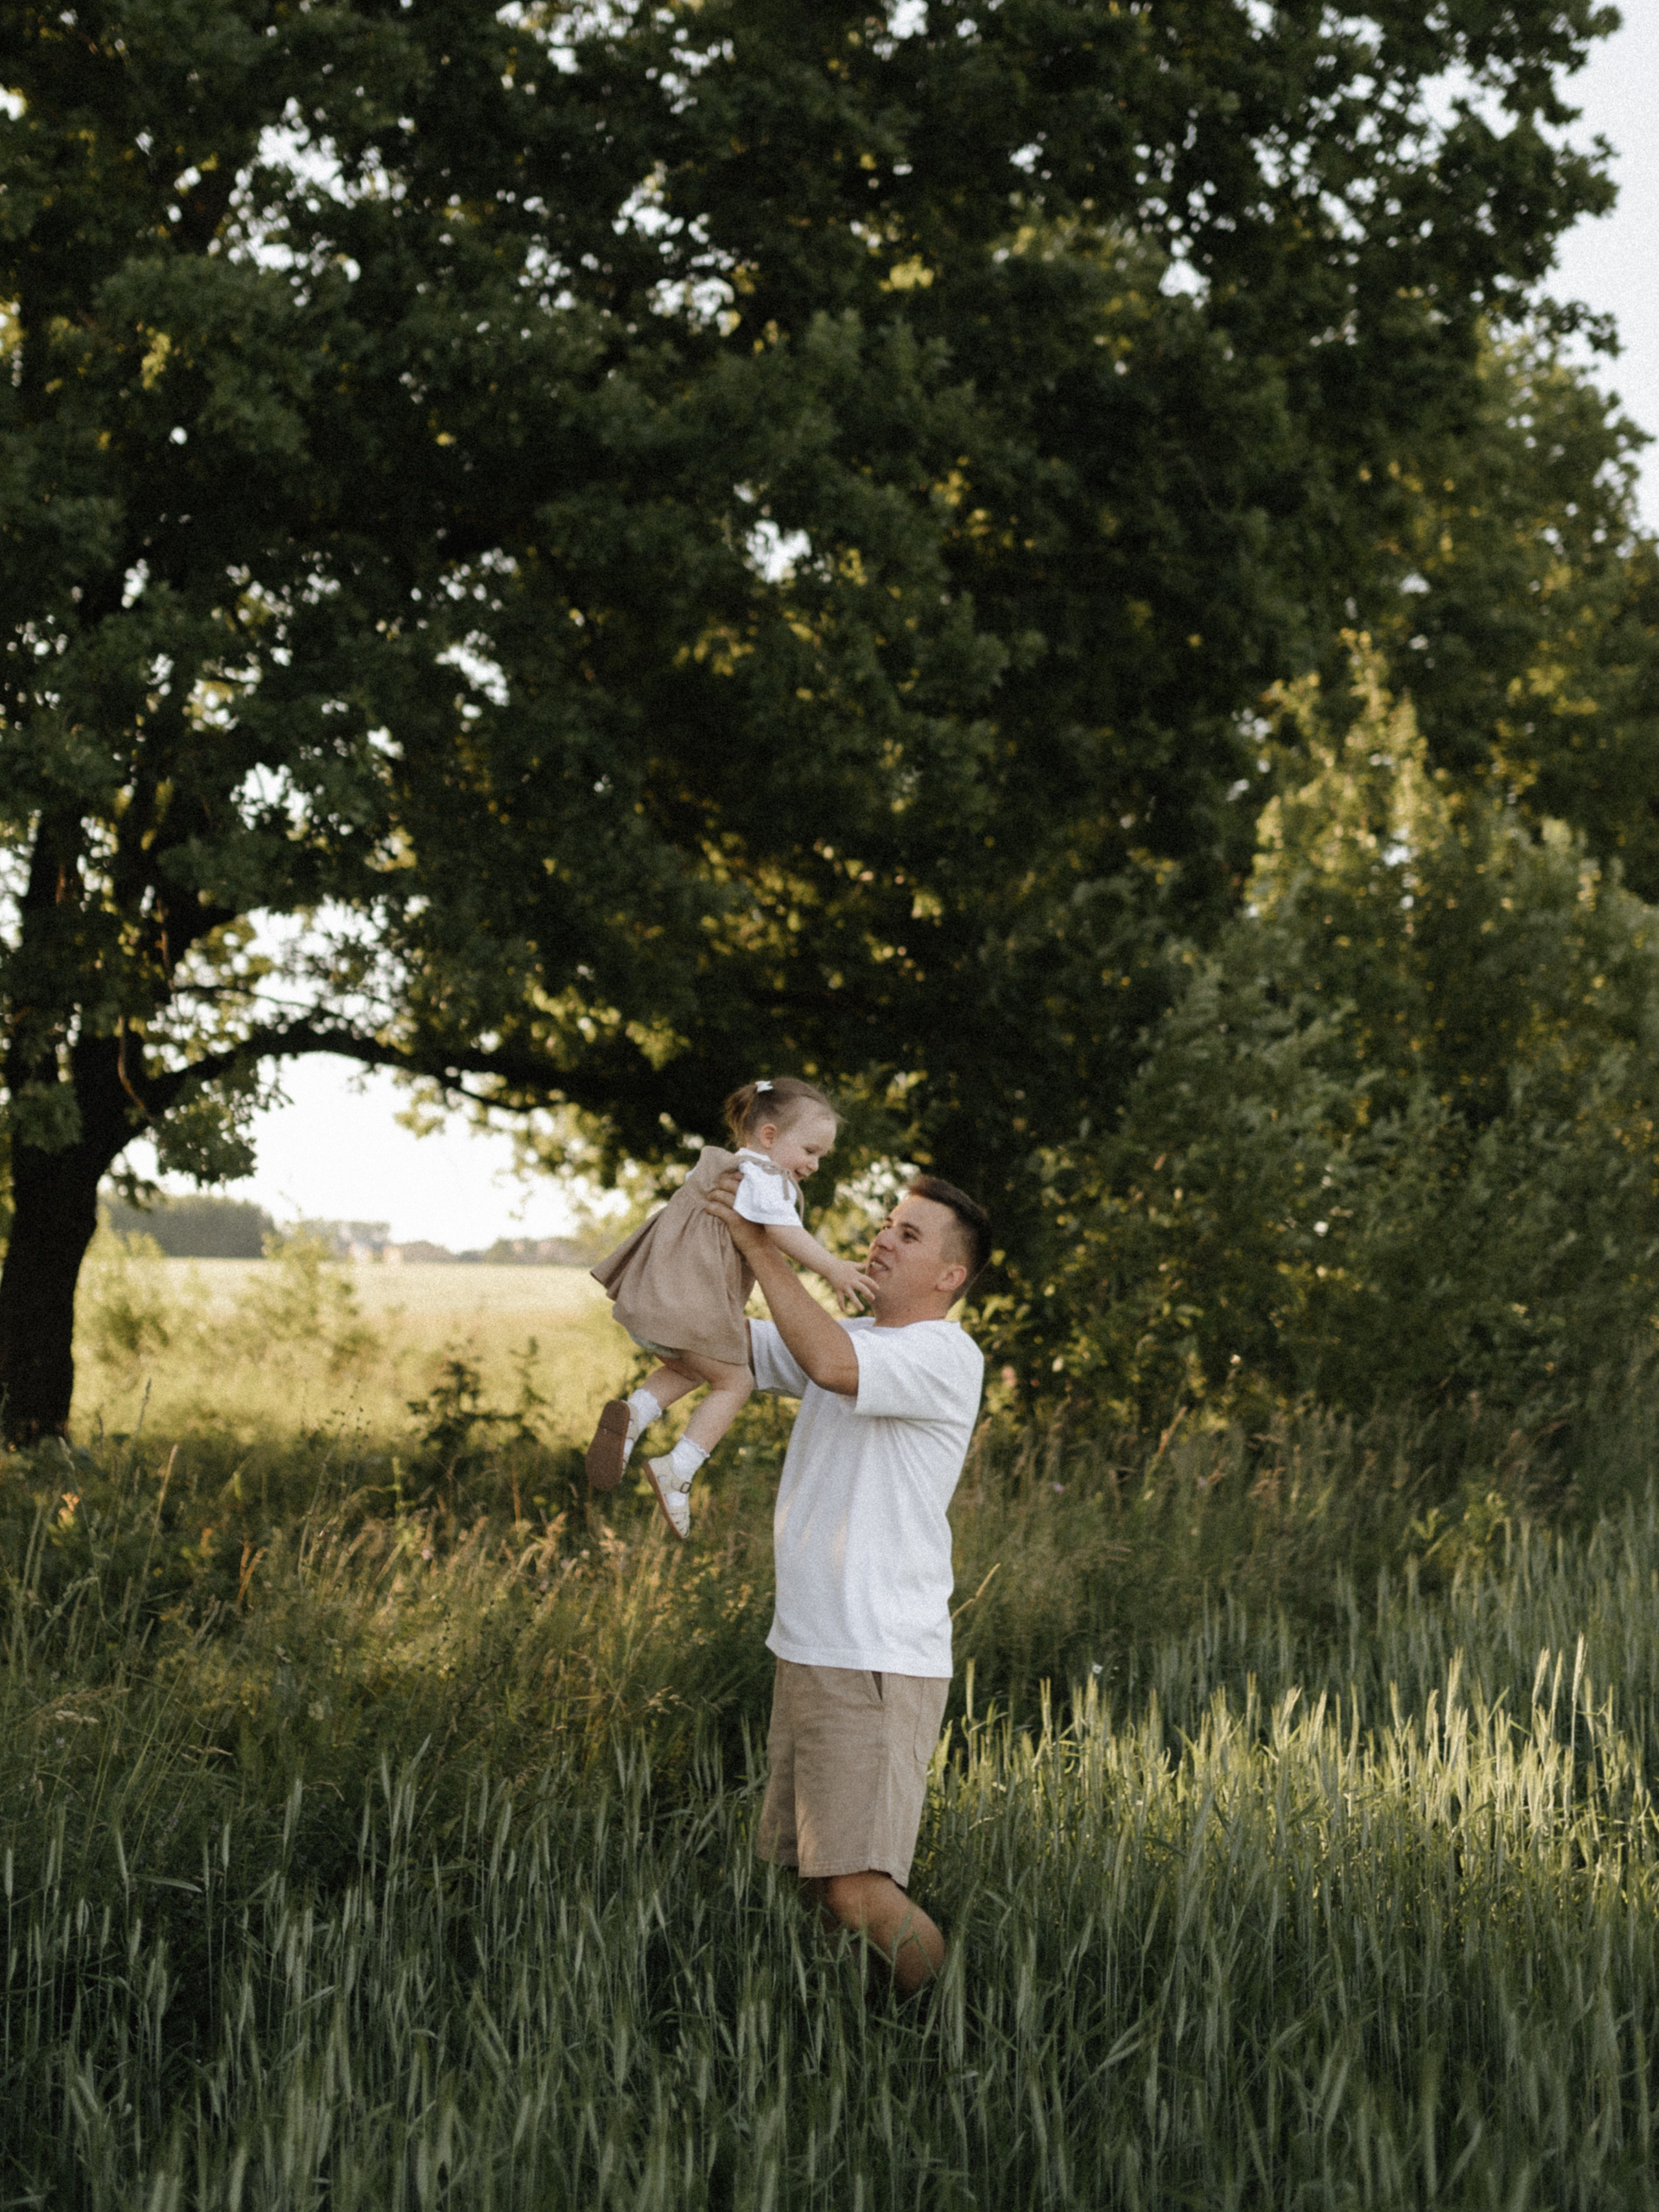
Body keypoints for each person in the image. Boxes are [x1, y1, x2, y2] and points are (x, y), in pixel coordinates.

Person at [704, 1169, 991, 1997]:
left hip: (875, 1657)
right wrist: (696, 1229)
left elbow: (827, 1360)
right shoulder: (857, 1334)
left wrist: (763, 1242)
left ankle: (954, 2042)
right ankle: (856, 2051)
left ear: (949, 1276)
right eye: (886, 1223)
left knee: (858, 1887)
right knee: (818, 1884)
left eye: (908, 1233)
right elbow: (717, 1340)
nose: (882, 1238)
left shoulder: (941, 1352)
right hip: (813, 1648)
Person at [585, 1077, 874, 1538]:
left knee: (690, 1369)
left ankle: (634, 1416)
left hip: (660, 1299)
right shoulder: (762, 1177)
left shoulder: (729, 1168)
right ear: (770, 1137)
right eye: (810, 1150)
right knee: (736, 1381)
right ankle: (676, 1471)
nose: (815, 1165)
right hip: (691, 1303)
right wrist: (834, 1268)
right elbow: (784, 1234)